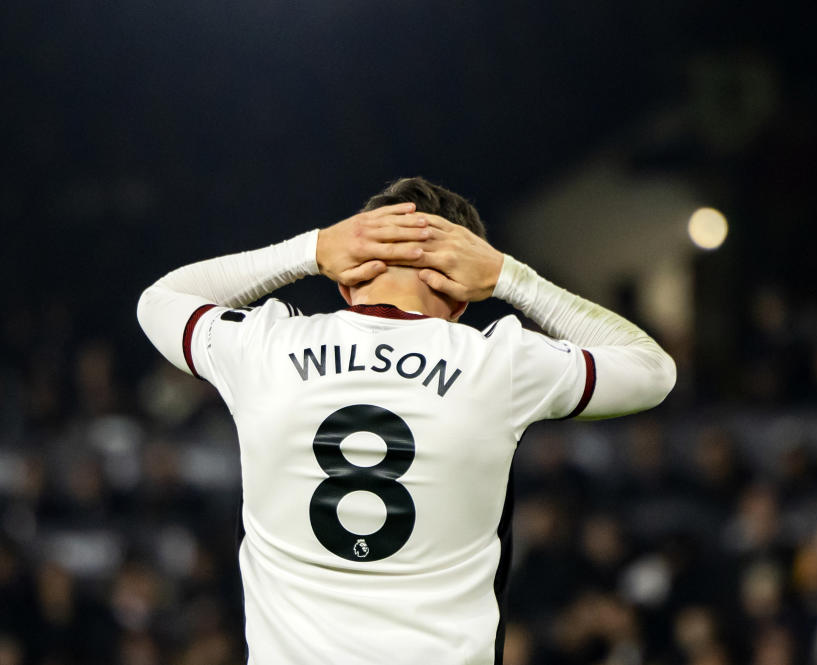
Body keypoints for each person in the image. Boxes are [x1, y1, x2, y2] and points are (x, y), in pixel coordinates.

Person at [137, 177, 676, 665]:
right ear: (462, 297)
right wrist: (510, 277)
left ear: (346, 281)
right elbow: (652, 371)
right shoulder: (499, 363)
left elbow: (159, 302)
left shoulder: (264, 347)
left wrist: (311, 250)